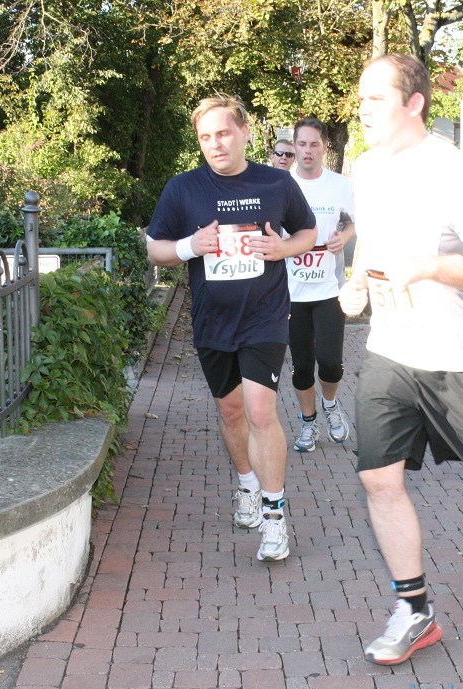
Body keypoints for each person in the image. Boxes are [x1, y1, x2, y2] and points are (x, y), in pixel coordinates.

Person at [338, 54, 463, 666]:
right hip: (392, 351)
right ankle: (414, 609)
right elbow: (371, 239)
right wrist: (358, 284)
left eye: (374, 99)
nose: (361, 109)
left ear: (413, 103)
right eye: (360, 98)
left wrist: (426, 268)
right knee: (377, 477)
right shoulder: (364, 169)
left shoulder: (458, 174)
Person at [146, 93, 317, 561]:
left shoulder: (276, 184)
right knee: (231, 414)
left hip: (264, 317)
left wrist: (281, 250)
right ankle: (246, 482)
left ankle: (275, 514)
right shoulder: (183, 189)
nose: (215, 144)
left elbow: (307, 232)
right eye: (205, 137)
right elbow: (155, 249)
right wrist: (189, 246)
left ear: (244, 132)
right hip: (212, 322)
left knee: (261, 412)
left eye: (223, 133)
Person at [286, 117, 356, 452]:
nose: (308, 150)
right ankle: (308, 423)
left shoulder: (341, 185)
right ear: (294, 146)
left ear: (325, 147)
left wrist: (343, 237)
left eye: (315, 144)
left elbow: (354, 222)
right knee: (301, 366)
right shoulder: (281, 185)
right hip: (291, 294)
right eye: (302, 144)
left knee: (330, 362)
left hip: (329, 290)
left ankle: (330, 405)